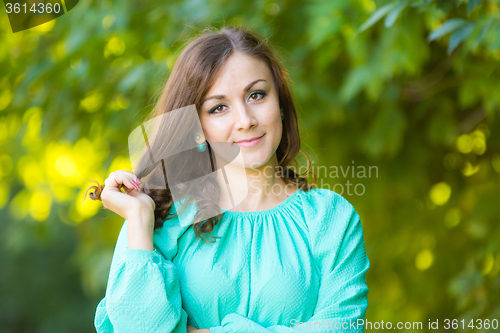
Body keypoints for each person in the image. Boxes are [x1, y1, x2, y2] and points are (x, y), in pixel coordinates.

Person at [86, 25, 370, 333]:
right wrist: (139, 220)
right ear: (196, 127)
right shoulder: (160, 215)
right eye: (219, 107)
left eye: (256, 95)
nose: (245, 121)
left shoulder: (330, 219)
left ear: (281, 104)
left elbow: (342, 328)